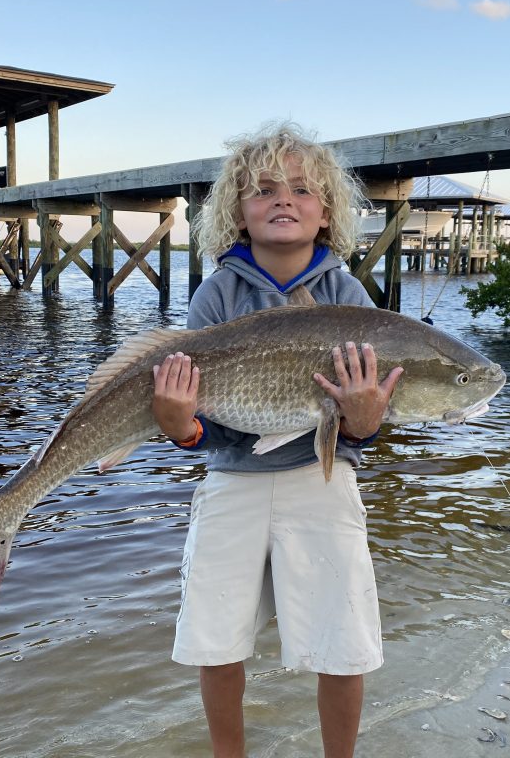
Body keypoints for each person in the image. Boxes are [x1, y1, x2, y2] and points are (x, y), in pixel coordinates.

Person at [151, 123, 403, 758]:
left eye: (302, 189)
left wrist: (364, 419)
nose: (283, 199)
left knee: (344, 639)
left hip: (322, 480)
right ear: (237, 211)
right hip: (232, 479)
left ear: (327, 212)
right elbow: (200, 426)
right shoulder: (215, 295)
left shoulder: (348, 296)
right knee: (217, 636)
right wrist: (180, 425)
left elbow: (361, 426)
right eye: (263, 189)